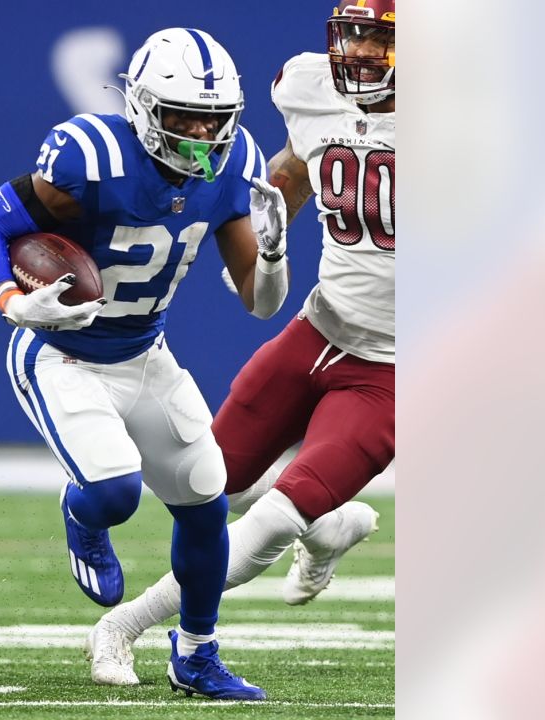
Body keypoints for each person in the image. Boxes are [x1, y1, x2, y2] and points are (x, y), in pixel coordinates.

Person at [0, 28, 290, 701]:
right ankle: (84, 518)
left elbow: (259, 303)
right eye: (184, 117)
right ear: (141, 108)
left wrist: (277, 256)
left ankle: (196, 656)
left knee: (203, 501)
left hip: (145, 351)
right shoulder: (91, 157)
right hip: (62, 351)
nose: (201, 133)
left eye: (214, 119)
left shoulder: (233, 166)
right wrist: (12, 299)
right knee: (114, 492)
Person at [86, 0, 396, 686]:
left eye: (381, 40)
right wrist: (268, 241)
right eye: (356, 36)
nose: (362, 54)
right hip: (318, 328)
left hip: (394, 367)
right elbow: (294, 165)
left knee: (272, 520)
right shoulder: (312, 86)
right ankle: (330, 523)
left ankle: (127, 625)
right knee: (205, 490)